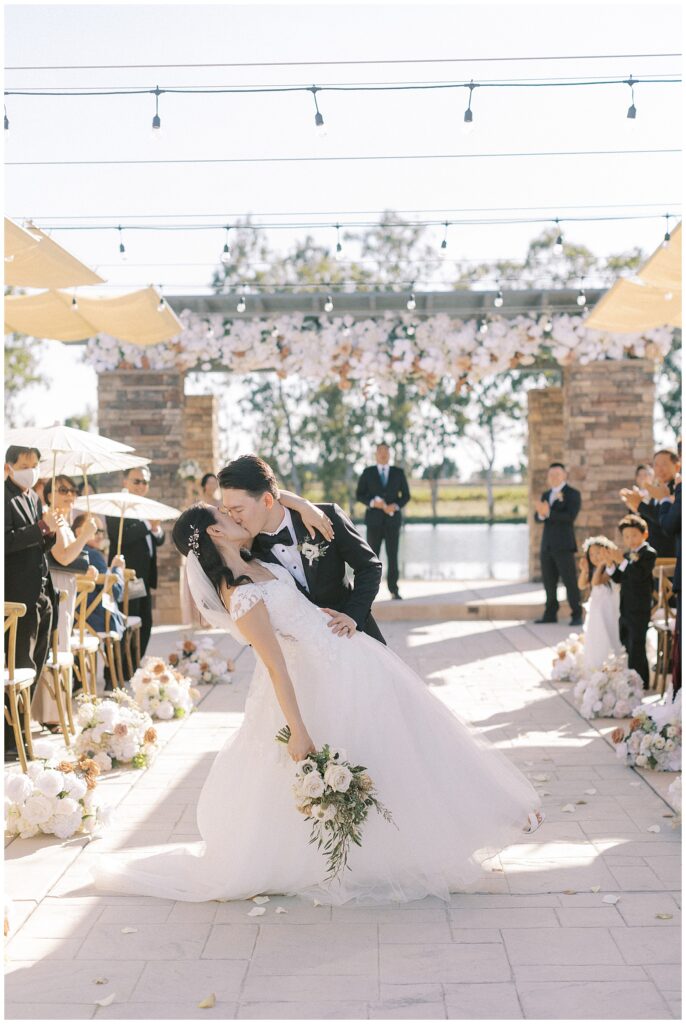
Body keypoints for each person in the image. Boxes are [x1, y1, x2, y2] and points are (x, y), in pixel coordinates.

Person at [92, 501, 543, 905]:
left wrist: (298, 503)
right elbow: (275, 666)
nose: (235, 516)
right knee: (374, 751)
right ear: (215, 534)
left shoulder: (257, 559)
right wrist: (299, 729)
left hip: (350, 658)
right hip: (317, 681)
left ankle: (477, 817)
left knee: (407, 739)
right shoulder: (241, 592)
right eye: (225, 515)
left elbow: (267, 494)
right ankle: (377, 853)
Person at [219, 455, 386, 644]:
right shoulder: (246, 551)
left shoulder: (326, 517)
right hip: (305, 657)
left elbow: (370, 568)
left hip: (358, 638)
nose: (233, 518)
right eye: (228, 511)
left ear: (267, 501)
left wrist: (352, 615)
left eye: (238, 510)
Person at [4, 446, 59, 751]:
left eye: (35, 465)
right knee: (18, 665)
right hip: (16, 596)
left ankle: (23, 731)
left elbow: (39, 545)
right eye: (24, 465)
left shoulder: (33, 498)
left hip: (41, 592)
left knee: (36, 664)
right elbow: (6, 541)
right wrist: (39, 527)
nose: (31, 470)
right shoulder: (5, 497)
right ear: (9, 467)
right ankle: (11, 739)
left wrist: (49, 533)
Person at [105, 466, 164, 657]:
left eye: (144, 482)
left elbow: (158, 539)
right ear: (125, 482)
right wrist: (148, 524)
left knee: (144, 623)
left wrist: (156, 529)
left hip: (145, 577)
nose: (141, 485)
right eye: (136, 481)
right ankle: (117, 672)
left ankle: (134, 667)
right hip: (127, 577)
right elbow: (121, 536)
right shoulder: (117, 505)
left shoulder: (147, 505)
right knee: (126, 622)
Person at [601, 514, 657, 688]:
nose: (630, 540)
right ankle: (632, 678)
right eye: (626, 536)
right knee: (627, 641)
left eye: (634, 535)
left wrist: (622, 561)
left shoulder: (649, 554)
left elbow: (639, 575)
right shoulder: (626, 555)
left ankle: (641, 683)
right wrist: (610, 564)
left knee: (637, 644)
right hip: (625, 606)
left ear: (644, 534)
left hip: (640, 607)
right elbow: (620, 578)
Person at [74, 513, 126, 690]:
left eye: (102, 531)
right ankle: (112, 680)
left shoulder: (67, 553)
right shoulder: (94, 555)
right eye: (96, 530)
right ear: (80, 531)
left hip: (73, 620)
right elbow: (116, 591)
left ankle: (79, 681)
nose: (100, 535)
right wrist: (118, 569)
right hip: (96, 620)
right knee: (120, 619)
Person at [356, 444, 411, 600]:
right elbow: (360, 495)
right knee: (372, 558)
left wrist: (396, 505)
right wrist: (373, 503)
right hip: (374, 522)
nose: (383, 455)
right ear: (376, 454)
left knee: (392, 556)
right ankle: (369, 592)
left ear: (390, 454)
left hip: (393, 522)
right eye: (380, 452)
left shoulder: (398, 473)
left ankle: (394, 589)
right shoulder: (368, 473)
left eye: (386, 452)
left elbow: (406, 495)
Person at [534, 462, 583, 625]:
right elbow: (537, 517)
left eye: (557, 474)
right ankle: (550, 613)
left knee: (569, 581)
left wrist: (548, 513)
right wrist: (541, 514)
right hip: (547, 545)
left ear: (564, 475)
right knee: (549, 581)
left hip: (564, 545)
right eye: (551, 475)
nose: (553, 477)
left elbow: (569, 517)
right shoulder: (546, 494)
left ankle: (576, 613)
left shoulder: (573, 494)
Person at [620, 449, 680, 558]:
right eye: (656, 465)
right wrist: (635, 507)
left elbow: (666, 520)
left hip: (670, 552)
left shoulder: (677, 489)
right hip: (655, 550)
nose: (659, 469)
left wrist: (640, 505)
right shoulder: (656, 489)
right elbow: (652, 518)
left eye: (664, 464)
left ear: (677, 466)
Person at [577, 536, 622, 671]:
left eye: (598, 553)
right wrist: (584, 570)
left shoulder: (610, 569)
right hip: (596, 610)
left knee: (608, 632)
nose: (595, 557)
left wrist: (603, 563)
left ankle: (612, 663)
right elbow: (581, 585)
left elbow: (596, 581)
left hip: (608, 608)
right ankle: (595, 666)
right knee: (595, 635)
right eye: (591, 554)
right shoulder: (592, 571)